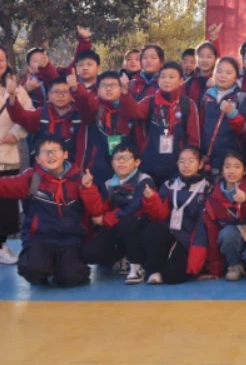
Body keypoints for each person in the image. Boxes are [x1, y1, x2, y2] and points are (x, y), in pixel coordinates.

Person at [0, 135, 91, 287]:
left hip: (71, 241)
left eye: (55, 151)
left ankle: (61, 265)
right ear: (37, 158)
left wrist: (89, 189)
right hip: (40, 239)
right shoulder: (32, 178)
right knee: (33, 271)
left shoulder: (79, 179)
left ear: (65, 154)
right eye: (44, 152)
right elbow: (5, 185)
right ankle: (45, 264)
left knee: (71, 279)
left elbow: (95, 210)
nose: (50, 156)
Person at [78, 143, 156, 285]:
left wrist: (106, 219)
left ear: (137, 162)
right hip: (116, 228)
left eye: (126, 158)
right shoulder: (109, 183)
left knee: (128, 221)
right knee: (88, 253)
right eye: (117, 158)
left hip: (140, 229)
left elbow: (135, 208)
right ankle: (121, 257)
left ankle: (137, 266)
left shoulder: (144, 180)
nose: (121, 161)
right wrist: (88, 188)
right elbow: (98, 210)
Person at [118, 62, 201, 187]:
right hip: (150, 161)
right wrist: (125, 93)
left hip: (177, 164)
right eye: (163, 77)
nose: (167, 80)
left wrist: (191, 162)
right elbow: (133, 112)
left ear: (181, 81)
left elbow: (193, 138)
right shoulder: (150, 101)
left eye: (172, 77)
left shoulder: (188, 104)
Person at [140, 146, 211, 284]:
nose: (186, 165)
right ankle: (154, 269)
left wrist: (199, 256)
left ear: (200, 164)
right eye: (182, 161)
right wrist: (151, 199)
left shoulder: (207, 188)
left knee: (173, 277)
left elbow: (204, 225)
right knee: (153, 229)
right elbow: (159, 216)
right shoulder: (169, 185)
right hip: (169, 232)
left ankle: (168, 268)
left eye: (191, 161)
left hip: (187, 238)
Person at [202, 151, 246, 281]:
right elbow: (212, 233)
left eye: (237, 167)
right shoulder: (213, 197)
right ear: (221, 170)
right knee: (226, 233)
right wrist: (215, 269)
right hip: (234, 238)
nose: (231, 171)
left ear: (245, 171)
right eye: (227, 166)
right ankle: (235, 265)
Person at [71, 69, 133, 194]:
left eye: (113, 85)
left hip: (125, 166)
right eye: (104, 86)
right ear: (97, 90)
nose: (108, 89)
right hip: (96, 169)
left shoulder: (129, 109)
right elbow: (84, 104)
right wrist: (76, 89)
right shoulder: (94, 108)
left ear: (121, 88)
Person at [0, 47, 33, 264]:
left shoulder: (16, 88)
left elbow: (27, 117)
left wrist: (15, 133)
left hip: (7, 154)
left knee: (5, 204)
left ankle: (1, 245)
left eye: (1, 59)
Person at [6, 76, 84, 166]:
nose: (60, 95)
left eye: (65, 92)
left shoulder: (81, 115)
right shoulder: (41, 114)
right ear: (49, 95)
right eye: (56, 92)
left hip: (72, 169)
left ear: (72, 95)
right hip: (43, 169)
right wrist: (12, 97)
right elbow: (19, 116)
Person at [199, 57, 246, 179]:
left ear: (236, 77)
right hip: (206, 157)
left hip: (230, 159)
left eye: (228, 73)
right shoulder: (207, 96)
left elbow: (244, 130)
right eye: (219, 71)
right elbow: (200, 125)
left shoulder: (242, 97)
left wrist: (232, 113)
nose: (223, 76)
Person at [183, 40, 219, 105]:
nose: (205, 60)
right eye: (201, 56)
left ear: (215, 59)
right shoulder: (189, 83)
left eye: (209, 57)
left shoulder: (220, 82)